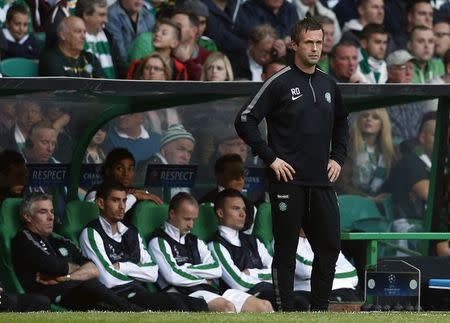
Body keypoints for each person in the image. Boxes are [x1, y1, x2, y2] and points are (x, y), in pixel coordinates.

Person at [235, 17, 349, 311]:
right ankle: (285, 311)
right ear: (294, 45)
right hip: (288, 182)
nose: (315, 48)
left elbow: (342, 124)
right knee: (285, 249)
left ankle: (320, 311)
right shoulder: (279, 82)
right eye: (309, 42)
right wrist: (270, 157)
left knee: (329, 248)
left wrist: (337, 157)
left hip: (322, 181)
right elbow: (245, 120)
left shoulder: (328, 84)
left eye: (319, 43)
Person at [80, 181, 207, 312]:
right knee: (175, 304)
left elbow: (152, 272)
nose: (122, 206)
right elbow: (107, 278)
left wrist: (123, 267)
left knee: (198, 304)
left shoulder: (131, 232)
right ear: (101, 203)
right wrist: (138, 272)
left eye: (124, 201)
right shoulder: (91, 232)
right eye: (115, 201)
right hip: (116, 296)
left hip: (139, 291)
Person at [11, 192, 141, 311]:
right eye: (43, 212)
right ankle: (133, 310)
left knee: (97, 297)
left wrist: (66, 277)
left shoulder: (60, 240)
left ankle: (132, 312)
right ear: (27, 216)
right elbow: (52, 266)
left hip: (72, 290)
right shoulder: (23, 239)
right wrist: (77, 269)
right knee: (89, 285)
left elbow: (93, 270)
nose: (51, 217)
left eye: (52, 211)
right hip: (46, 296)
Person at [149, 192, 273, 312]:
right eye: (187, 219)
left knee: (264, 306)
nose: (191, 225)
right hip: (184, 294)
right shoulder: (159, 241)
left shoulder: (195, 241)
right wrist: (204, 278)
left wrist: (187, 268)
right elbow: (172, 276)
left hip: (211, 291)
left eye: (194, 220)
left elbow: (216, 269)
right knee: (227, 307)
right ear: (172, 214)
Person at [209, 189, 309, 311]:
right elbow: (238, 283)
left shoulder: (254, 241)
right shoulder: (215, 246)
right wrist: (266, 281)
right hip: (240, 298)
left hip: (267, 291)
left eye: (244, 209)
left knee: (302, 300)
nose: (242, 214)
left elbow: (276, 271)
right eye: (236, 209)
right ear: (220, 213)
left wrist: (252, 273)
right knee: (297, 302)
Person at [389, 111, 436, 252]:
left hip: (429, 226)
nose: (445, 140)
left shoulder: (439, 164)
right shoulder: (411, 161)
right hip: (406, 227)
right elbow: (430, 194)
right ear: (422, 137)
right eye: (437, 135)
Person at [85, 148, 163, 221]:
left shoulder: (135, 191)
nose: (126, 173)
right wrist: (133, 197)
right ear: (108, 171)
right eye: (120, 168)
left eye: (130, 169)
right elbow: (99, 216)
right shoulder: (95, 193)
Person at [337, 109, 399, 200]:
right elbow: (342, 183)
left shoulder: (391, 151)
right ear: (359, 120)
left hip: (381, 204)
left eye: (375, 117)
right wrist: (367, 198)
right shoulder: (347, 146)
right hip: (352, 202)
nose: (369, 119)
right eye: (365, 116)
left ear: (382, 124)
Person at [294, 229, 360, 302]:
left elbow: (352, 274)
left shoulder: (324, 240)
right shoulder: (289, 241)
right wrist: (333, 270)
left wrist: (325, 271)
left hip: (344, 290)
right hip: (306, 292)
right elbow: (306, 270)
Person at [199, 153, 257, 233]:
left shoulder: (250, 207)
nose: (240, 180)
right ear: (219, 176)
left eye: (242, 175)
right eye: (233, 175)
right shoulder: (205, 205)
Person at [386, 49, 434, 142]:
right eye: (403, 68)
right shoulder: (379, 97)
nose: (408, 73)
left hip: (416, 148)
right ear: (389, 73)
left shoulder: (418, 97)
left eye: (411, 68)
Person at [38, 16, 104, 78]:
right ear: (63, 35)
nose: (83, 37)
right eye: (78, 31)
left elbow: (103, 86)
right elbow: (61, 88)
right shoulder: (50, 59)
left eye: (84, 32)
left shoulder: (90, 58)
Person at [76, 0, 124, 78]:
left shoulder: (109, 37)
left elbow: (120, 68)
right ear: (86, 15)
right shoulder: (74, 41)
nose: (106, 20)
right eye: (101, 15)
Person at [105, 0, 155, 70]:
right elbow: (120, 54)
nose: (139, 2)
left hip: (144, 68)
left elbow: (153, 47)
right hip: (124, 69)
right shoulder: (111, 15)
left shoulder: (147, 15)